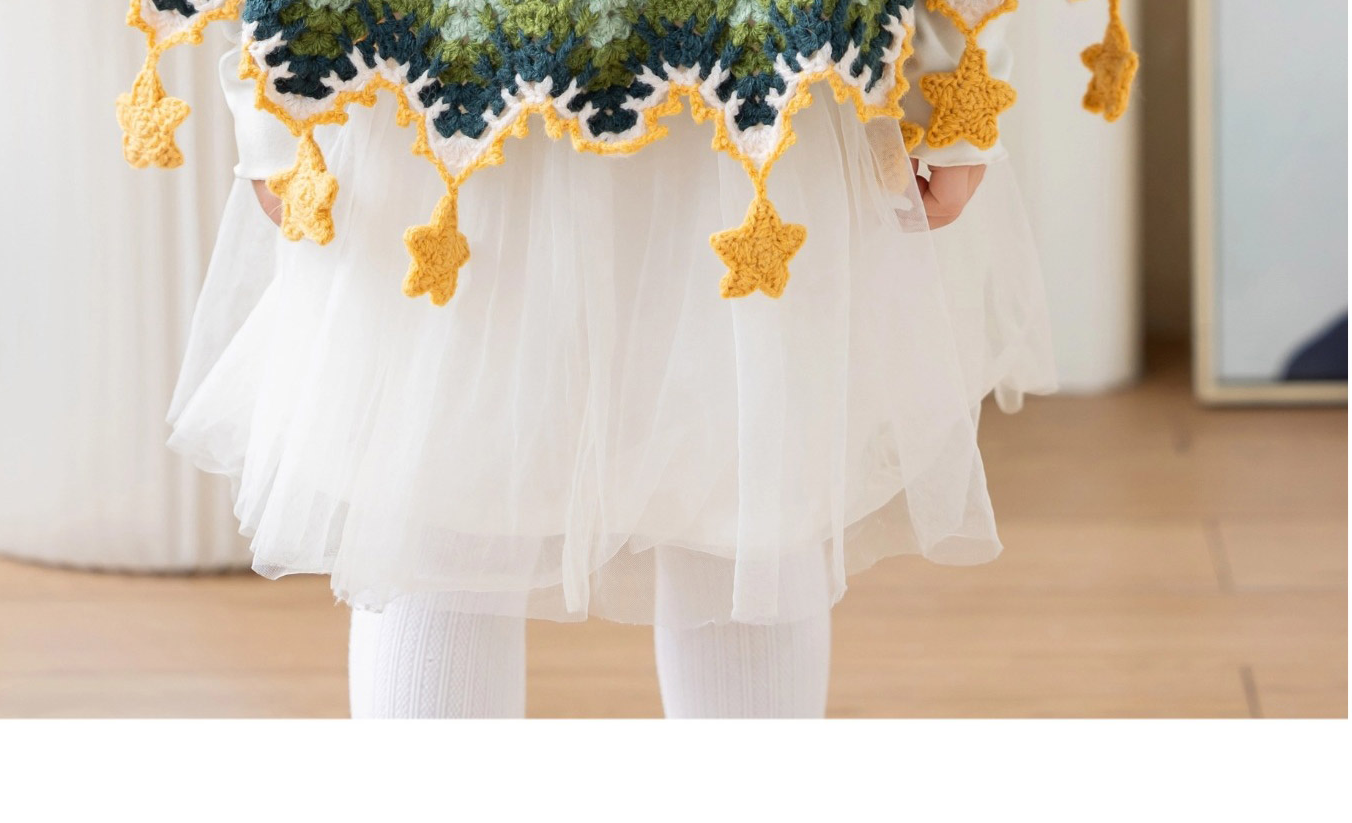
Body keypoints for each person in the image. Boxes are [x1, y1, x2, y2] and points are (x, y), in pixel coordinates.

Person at [124, 0, 1136, 718]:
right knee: (709, 506)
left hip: (599, 84)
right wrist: (947, 74)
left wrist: (267, 95)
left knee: (459, 513)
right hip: (599, 89)